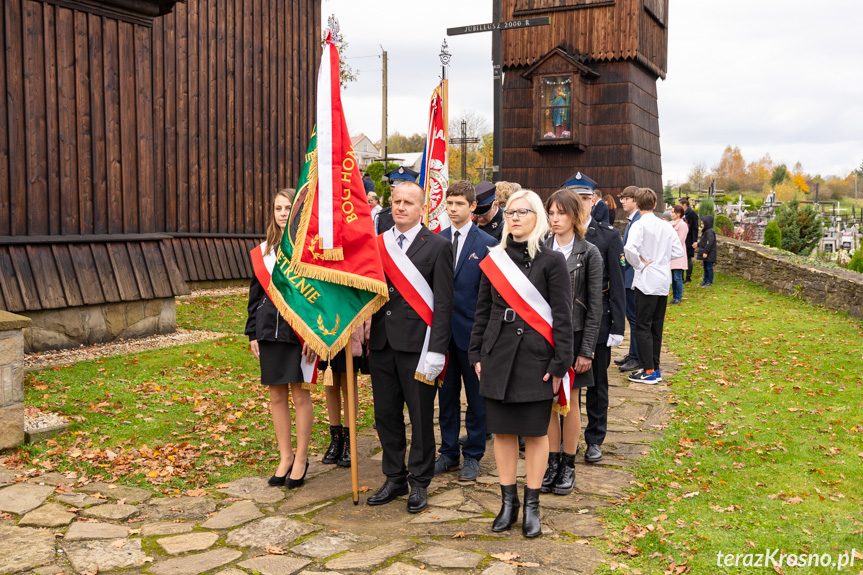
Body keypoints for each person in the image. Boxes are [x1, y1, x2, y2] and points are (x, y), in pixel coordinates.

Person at [469, 189, 573, 537]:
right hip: (497, 354)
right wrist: (476, 353)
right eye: (511, 212)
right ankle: (507, 502)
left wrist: (560, 364)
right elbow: (482, 311)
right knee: (502, 431)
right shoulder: (494, 258)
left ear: (537, 217)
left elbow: (562, 315)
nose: (515, 218)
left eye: (523, 212)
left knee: (535, 431)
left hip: (535, 358)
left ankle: (532, 505)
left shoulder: (551, 260)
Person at [367, 181, 453, 514]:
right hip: (383, 343)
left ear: (422, 209)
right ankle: (394, 476)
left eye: (408, 203)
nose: (400, 207)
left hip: (419, 347)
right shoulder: (377, 244)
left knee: (419, 417)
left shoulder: (438, 246)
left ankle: (419, 481)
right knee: (386, 415)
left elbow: (444, 303)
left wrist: (437, 350)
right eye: (396, 201)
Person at [245, 189, 314, 488]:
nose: (283, 213)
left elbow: (317, 299)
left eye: (288, 208)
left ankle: (301, 458)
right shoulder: (265, 252)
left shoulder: (308, 249)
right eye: (278, 208)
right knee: (276, 396)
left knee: (300, 395)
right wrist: (252, 332)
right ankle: (285, 456)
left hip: (298, 333)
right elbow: (255, 295)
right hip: (267, 330)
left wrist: (314, 334)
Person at [542, 189, 602, 496]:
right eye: (551, 213)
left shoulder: (589, 252)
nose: (554, 219)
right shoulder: (539, 248)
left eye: (561, 213)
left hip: (576, 337)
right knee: (549, 403)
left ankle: (568, 463)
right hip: (545, 337)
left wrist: (587, 349)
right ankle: (551, 463)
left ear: (574, 216)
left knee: (570, 402)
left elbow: (594, 307)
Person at [435, 181, 497, 482]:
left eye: (459, 204)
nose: (453, 209)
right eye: (449, 204)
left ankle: (473, 454)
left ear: (473, 207)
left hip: (474, 336)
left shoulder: (487, 243)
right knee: (445, 397)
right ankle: (448, 451)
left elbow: (493, 295)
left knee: (476, 399)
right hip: (443, 335)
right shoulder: (436, 240)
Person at [562, 171, 625, 463]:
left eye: (586, 199)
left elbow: (617, 282)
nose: (582, 204)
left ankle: (595, 437)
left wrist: (618, 325)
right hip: (564, 321)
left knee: (596, 384)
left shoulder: (608, 236)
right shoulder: (558, 235)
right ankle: (565, 440)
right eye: (576, 199)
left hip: (596, 319)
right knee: (564, 383)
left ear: (594, 200)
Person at [624, 187, 684, 384]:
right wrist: (662, 258)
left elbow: (629, 249)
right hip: (662, 280)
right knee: (656, 327)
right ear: (656, 204)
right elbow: (677, 251)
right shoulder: (665, 225)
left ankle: (648, 370)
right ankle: (655, 368)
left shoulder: (639, 225)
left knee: (642, 325)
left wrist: (640, 264)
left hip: (647, 279)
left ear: (638, 204)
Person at [319, 322, 368, 467]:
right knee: (330, 385)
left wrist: (367, 334)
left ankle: (349, 441)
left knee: (348, 385)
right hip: (327, 331)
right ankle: (336, 439)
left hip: (350, 330)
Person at [614, 186, 642, 373]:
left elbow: (630, 252)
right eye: (622, 198)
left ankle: (636, 357)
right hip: (627, 274)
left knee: (634, 319)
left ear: (635, 200)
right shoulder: (633, 220)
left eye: (626, 198)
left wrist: (621, 265)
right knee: (631, 317)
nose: (622, 201)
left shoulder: (638, 221)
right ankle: (632, 353)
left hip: (631, 276)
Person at [375, 167, 419, 234]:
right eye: (393, 190)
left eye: (403, 191)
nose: (397, 194)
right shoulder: (381, 217)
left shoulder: (422, 216)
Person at [669, 205, 689, 304]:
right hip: (670, 254)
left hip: (678, 254)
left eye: (673, 212)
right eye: (671, 212)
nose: (671, 214)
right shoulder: (670, 224)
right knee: (672, 278)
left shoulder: (683, 225)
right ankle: (674, 297)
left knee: (677, 277)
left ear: (679, 214)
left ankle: (678, 297)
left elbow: (680, 240)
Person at [679, 198, 699, 283]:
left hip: (689, 239)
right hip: (683, 239)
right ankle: (681, 277)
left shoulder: (692, 214)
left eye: (679, 205)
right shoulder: (682, 214)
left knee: (688, 259)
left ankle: (688, 277)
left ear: (684, 205)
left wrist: (694, 240)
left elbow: (695, 228)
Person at [696, 215, 717, 287]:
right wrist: (698, 244)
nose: (701, 225)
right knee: (705, 267)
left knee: (709, 268)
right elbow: (704, 242)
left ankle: (709, 281)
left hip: (709, 253)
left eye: (702, 223)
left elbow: (709, 242)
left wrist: (706, 252)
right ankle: (705, 280)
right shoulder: (706, 232)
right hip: (707, 253)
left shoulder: (710, 232)